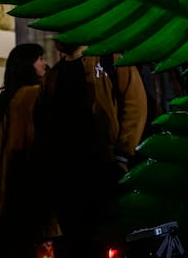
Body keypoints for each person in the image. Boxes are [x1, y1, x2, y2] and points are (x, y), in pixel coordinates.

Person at [35, 40, 147, 257]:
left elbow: (135, 105)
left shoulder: (110, 61)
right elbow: (44, 122)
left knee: (107, 239)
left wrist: (123, 154)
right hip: (66, 174)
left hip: (104, 167)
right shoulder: (54, 75)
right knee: (74, 240)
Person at [0, 42, 57, 258]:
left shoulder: (3, 99)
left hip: (8, 190)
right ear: (27, 65)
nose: (45, 64)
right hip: (31, 186)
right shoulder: (31, 96)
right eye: (39, 59)